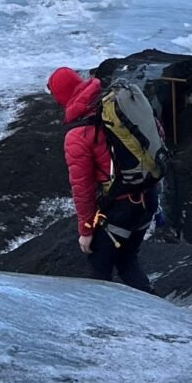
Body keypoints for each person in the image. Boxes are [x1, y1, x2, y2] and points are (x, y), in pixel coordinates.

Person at [48, 67, 154, 291]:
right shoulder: (113, 106)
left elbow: (82, 188)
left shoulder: (77, 135)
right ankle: (158, 311)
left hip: (122, 208)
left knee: (99, 271)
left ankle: (111, 324)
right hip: (147, 195)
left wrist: (86, 231)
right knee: (127, 262)